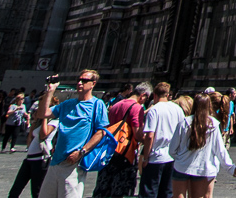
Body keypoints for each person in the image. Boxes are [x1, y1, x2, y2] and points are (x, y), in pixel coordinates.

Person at [40, 70, 111, 198]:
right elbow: (42, 114)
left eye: (84, 81)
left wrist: (82, 152)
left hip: (73, 164)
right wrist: (50, 91)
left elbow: (101, 132)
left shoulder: (97, 104)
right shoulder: (67, 104)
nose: (79, 83)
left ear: (93, 83)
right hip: (55, 162)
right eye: (78, 80)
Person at [93, 83, 149, 198]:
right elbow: (137, 134)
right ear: (143, 95)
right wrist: (146, 140)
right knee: (120, 189)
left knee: (104, 186)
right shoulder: (137, 107)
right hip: (124, 152)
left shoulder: (116, 105)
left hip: (109, 150)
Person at [171, 93, 232, 198]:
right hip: (200, 168)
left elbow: (172, 149)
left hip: (181, 166)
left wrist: (179, 158)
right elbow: (220, 150)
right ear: (209, 106)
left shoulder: (184, 123)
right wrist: (231, 168)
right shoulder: (213, 124)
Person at [141, 82, 185, 198]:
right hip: (172, 157)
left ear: (154, 95)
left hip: (155, 157)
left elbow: (150, 136)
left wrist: (145, 158)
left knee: (149, 192)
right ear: (168, 94)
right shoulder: (177, 109)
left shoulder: (154, 110)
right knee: (167, 193)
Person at [9, 95, 58, 198]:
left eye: (41, 106)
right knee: (15, 190)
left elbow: (43, 135)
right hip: (29, 158)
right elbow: (30, 138)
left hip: (40, 160)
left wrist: (45, 116)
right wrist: (35, 121)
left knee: (36, 192)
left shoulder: (54, 121)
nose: (38, 109)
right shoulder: (39, 121)